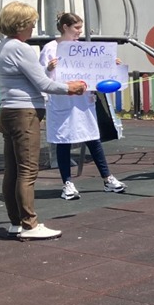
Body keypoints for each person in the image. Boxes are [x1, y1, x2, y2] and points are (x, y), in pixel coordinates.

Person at [0, 2, 87, 240]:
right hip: (24, 113)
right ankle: (30, 225)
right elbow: (44, 84)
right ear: (21, 24)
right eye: (32, 23)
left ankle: (17, 222)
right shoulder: (21, 48)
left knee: (13, 169)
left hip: (9, 111)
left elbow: (36, 78)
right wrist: (71, 88)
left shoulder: (4, 46)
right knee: (28, 170)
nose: (34, 27)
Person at [40, 12, 127, 200]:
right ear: (65, 27)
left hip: (82, 102)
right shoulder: (51, 48)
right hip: (62, 102)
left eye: (80, 27)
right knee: (64, 141)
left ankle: (107, 178)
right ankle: (67, 183)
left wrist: (113, 65)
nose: (80, 31)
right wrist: (49, 68)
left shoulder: (83, 49)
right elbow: (40, 77)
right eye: (76, 28)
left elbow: (98, 73)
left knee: (92, 138)